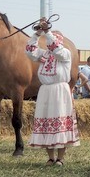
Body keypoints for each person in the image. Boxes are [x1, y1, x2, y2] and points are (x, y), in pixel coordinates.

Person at [24, 18, 80, 166]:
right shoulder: (45, 55)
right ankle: (50, 157)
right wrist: (36, 35)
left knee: (60, 123)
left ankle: (60, 158)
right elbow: (30, 52)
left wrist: (47, 32)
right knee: (46, 122)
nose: (48, 43)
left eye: (51, 39)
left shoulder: (64, 53)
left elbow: (56, 49)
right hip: (45, 91)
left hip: (60, 91)